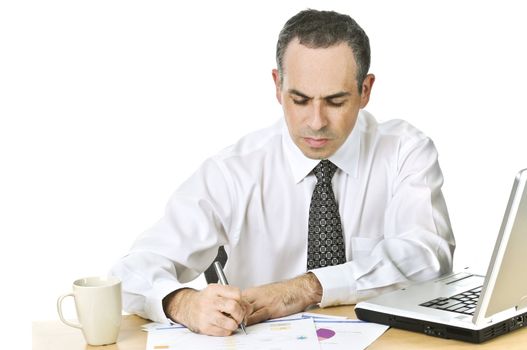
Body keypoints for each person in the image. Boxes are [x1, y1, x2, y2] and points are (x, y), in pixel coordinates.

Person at [111, 9, 455, 336]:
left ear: (365, 91)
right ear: (277, 86)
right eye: (300, 100)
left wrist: (309, 287)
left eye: (335, 101)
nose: (316, 122)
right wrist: (181, 302)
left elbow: (429, 256)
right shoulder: (234, 171)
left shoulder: (403, 152)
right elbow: (131, 271)